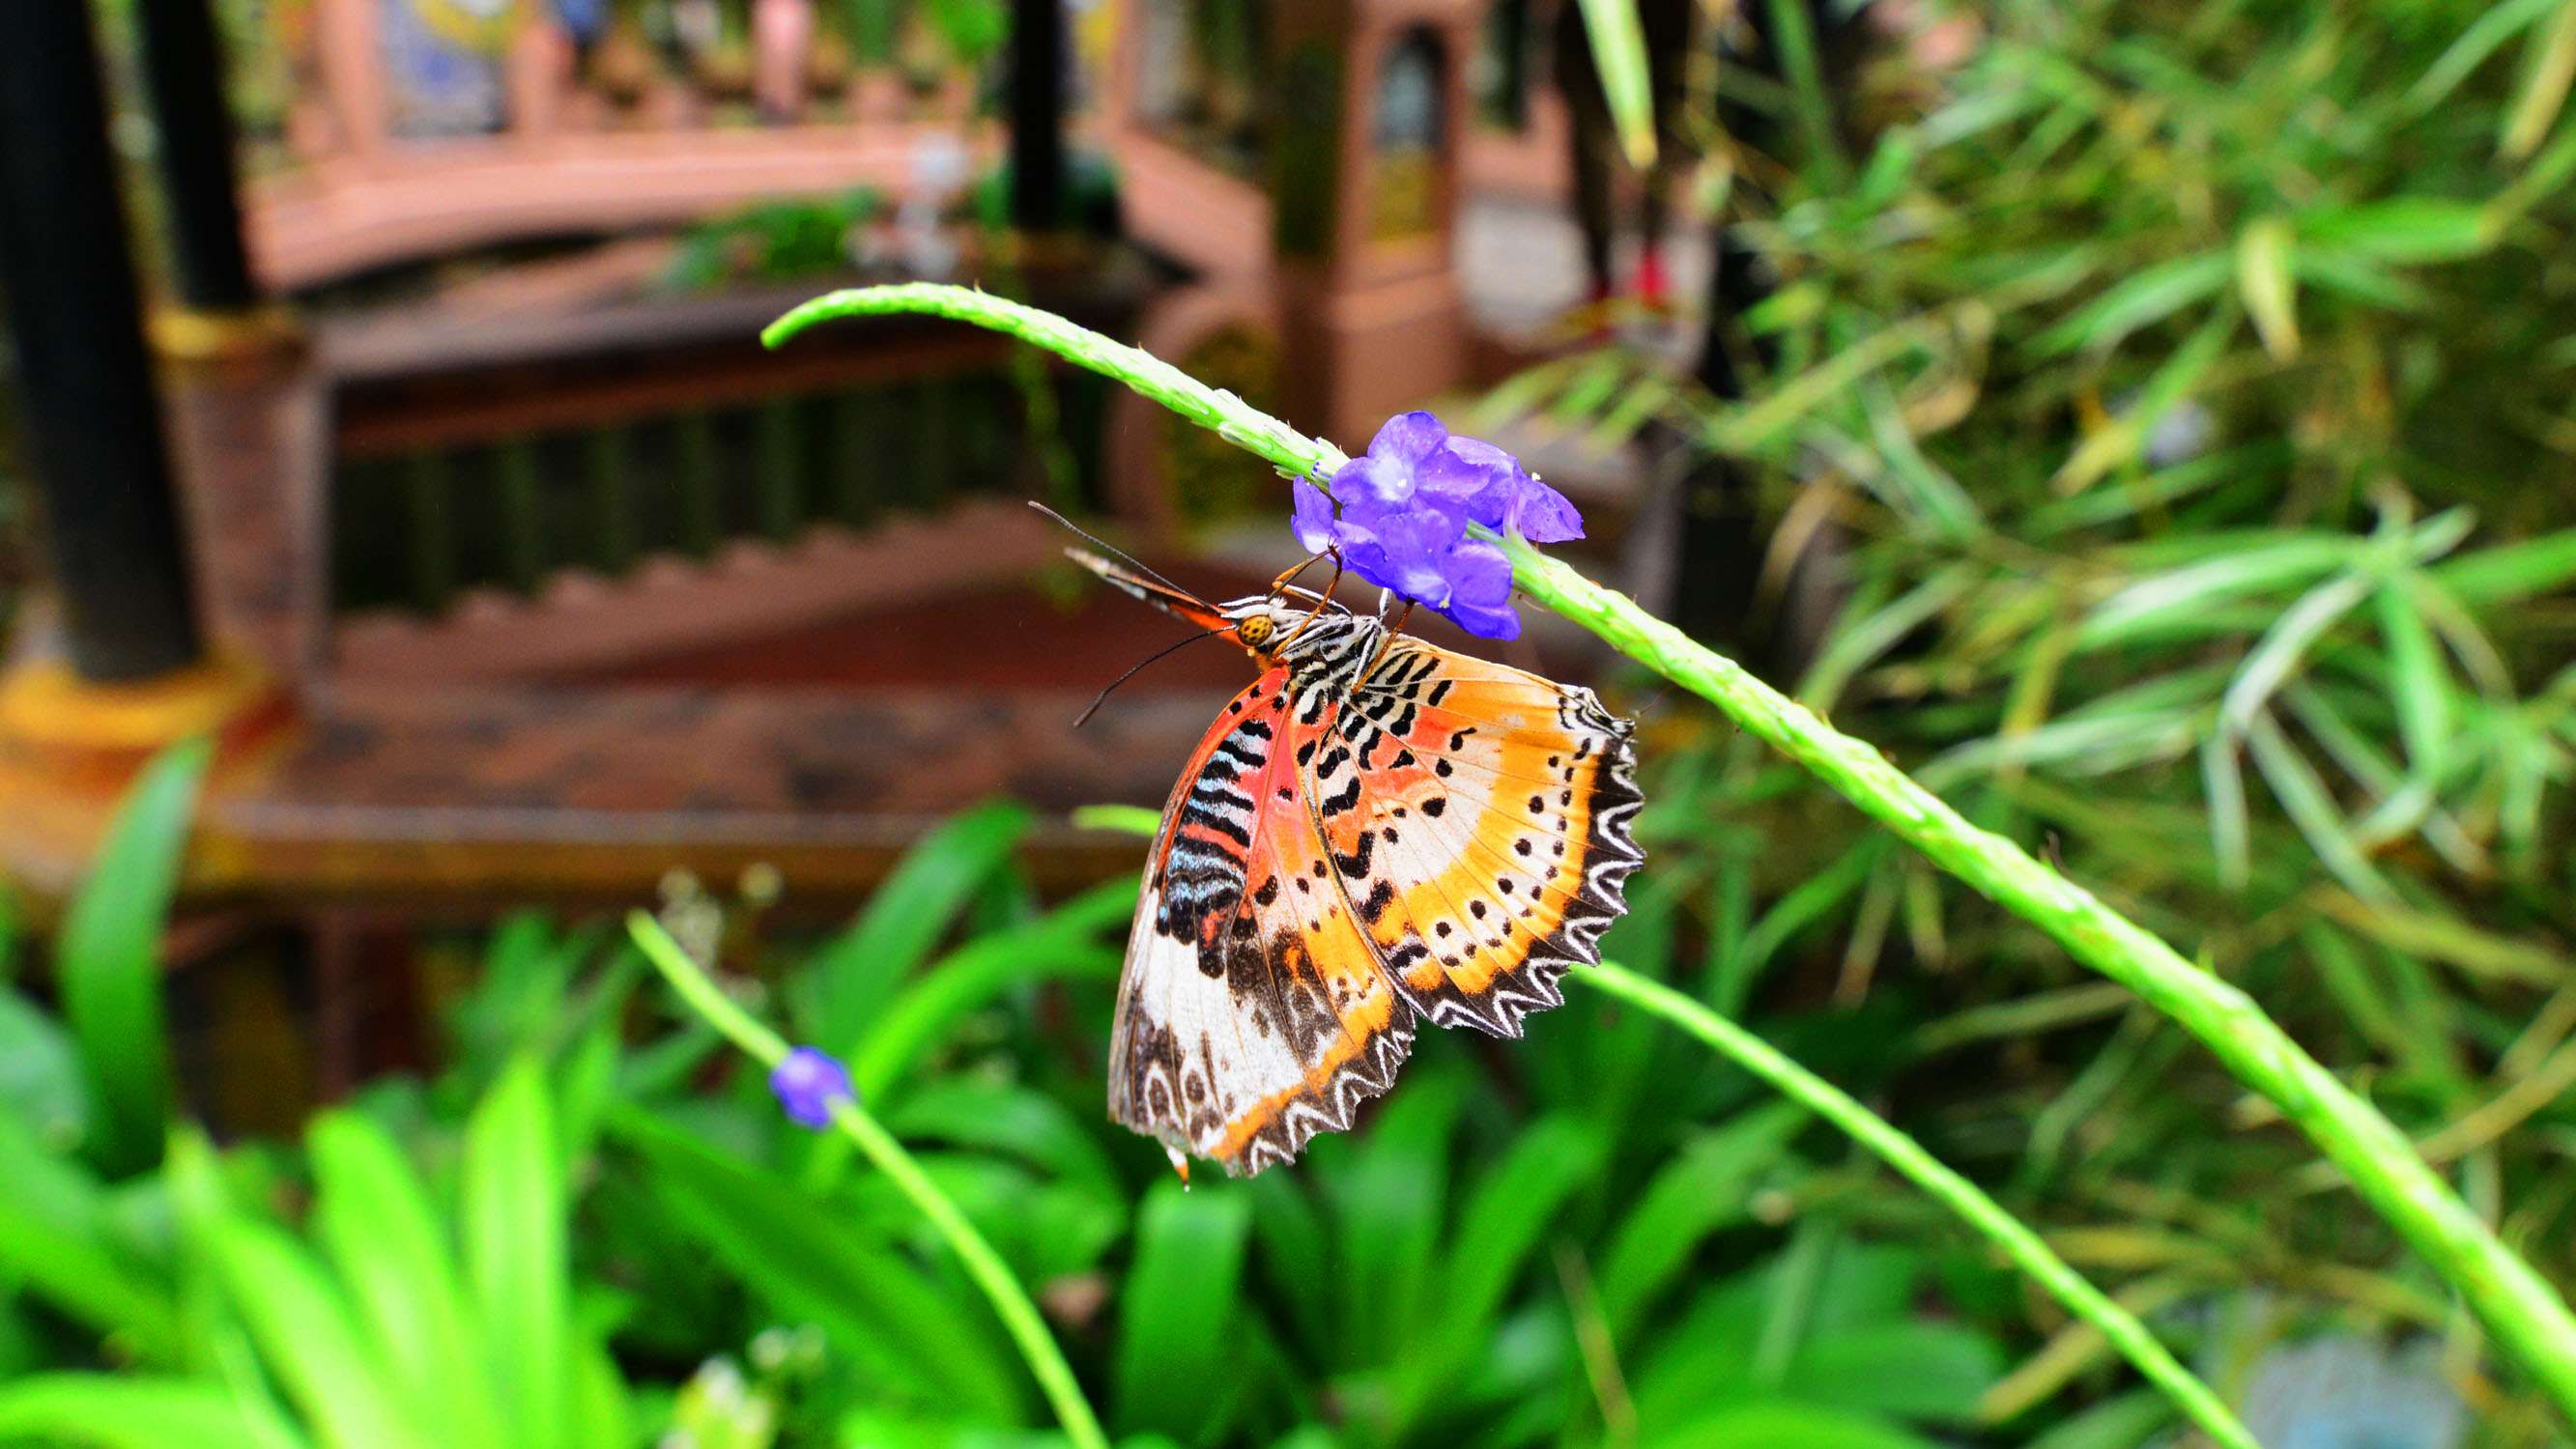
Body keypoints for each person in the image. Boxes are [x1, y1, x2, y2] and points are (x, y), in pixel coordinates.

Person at [1552, 0, 1702, 314]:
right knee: (1594, 138)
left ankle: (1644, 269)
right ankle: (1607, 281)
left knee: (1660, 132)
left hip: (1659, 21)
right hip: (1596, 20)